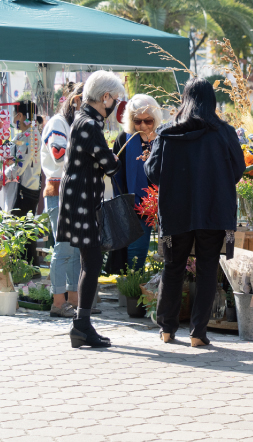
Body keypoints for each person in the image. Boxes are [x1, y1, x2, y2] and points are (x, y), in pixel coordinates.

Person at [146, 78, 245, 346]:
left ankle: (167, 329)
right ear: (212, 101)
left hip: (175, 211)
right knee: (207, 269)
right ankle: (198, 333)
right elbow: (238, 169)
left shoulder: (166, 132)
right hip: (214, 210)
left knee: (173, 267)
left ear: (184, 99)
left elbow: (153, 172)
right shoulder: (225, 132)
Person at [56, 71, 124, 349]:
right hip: (82, 200)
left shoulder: (83, 119)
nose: (116, 104)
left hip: (81, 198)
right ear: (105, 97)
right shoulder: (89, 124)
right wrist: (114, 158)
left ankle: (82, 325)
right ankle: (81, 326)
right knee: (92, 261)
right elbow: (110, 164)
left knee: (91, 261)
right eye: (115, 98)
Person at [41, 83, 84, 318]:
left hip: (73, 191)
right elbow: (58, 155)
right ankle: (58, 302)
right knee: (65, 246)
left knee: (75, 248)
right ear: (76, 100)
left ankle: (74, 300)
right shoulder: (58, 123)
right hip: (59, 191)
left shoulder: (71, 123)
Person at [107, 94, 162, 273]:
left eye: (148, 121)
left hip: (163, 201)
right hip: (136, 205)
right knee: (136, 250)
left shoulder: (163, 139)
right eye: (137, 121)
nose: (143, 126)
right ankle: (134, 283)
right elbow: (117, 175)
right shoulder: (125, 139)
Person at [10, 100, 43, 265]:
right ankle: (27, 267)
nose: (13, 118)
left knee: (24, 230)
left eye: (14, 114)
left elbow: (20, 165)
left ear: (20, 115)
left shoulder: (31, 135)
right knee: (22, 229)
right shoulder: (23, 134)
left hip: (27, 189)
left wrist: (4, 176)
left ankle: (29, 267)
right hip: (25, 187)